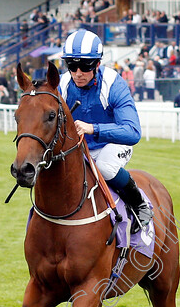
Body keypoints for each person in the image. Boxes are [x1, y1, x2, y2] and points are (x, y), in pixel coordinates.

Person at [58, 29, 153, 232]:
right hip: (79, 147)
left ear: (97, 64)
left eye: (84, 66)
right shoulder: (63, 84)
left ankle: (140, 204)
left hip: (112, 145)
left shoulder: (113, 84)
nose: (78, 73)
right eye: (72, 66)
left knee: (104, 167)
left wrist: (93, 129)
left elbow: (132, 132)